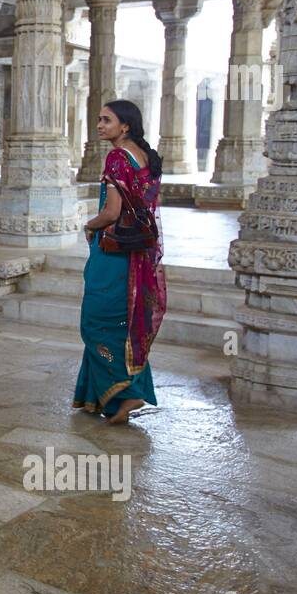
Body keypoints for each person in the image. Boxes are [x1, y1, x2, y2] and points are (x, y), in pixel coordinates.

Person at [74, 99, 167, 425]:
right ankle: (100, 398)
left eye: (106, 120)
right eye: (99, 120)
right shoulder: (146, 157)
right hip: (136, 254)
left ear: (124, 126)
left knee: (96, 324)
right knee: (125, 323)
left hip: (112, 253)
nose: (99, 125)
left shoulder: (116, 157)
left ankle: (127, 390)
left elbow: (112, 212)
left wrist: (89, 224)